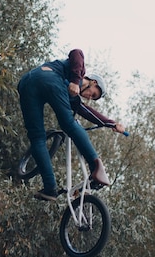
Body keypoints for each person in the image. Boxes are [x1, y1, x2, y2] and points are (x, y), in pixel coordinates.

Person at [18, 49, 126, 201]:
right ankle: (96, 167)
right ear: (93, 82)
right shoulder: (79, 72)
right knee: (69, 123)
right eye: (93, 94)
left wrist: (111, 123)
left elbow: (86, 111)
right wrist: (76, 80)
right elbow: (77, 52)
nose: (89, 97)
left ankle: (50, 189)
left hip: (26, 85)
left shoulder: (73, 97)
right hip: (47, 76)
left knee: (37, 138)